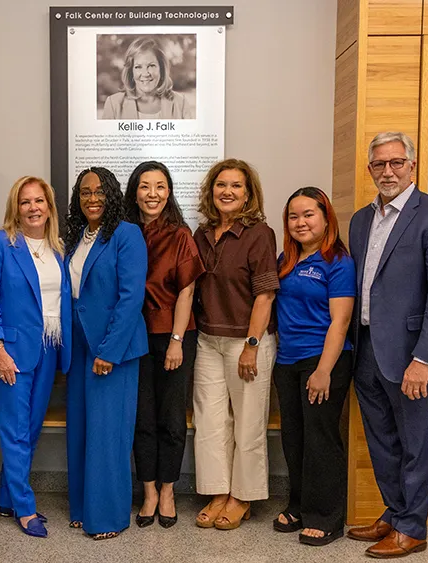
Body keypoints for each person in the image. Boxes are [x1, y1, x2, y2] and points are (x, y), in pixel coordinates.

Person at [345, 132, 428, 558]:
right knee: (382, 442)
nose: (388, 171)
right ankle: (395, 514)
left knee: (416, 445)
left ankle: (413, 528)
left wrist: (424, 360)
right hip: (367, 352)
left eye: (397, 162)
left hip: (412, 358)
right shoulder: (361, 220)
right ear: (370, 169)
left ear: (412, 166)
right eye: (379, 164)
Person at [0, 176, 72, 538]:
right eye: (25, 201)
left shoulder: (57, 247)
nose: (33, 208)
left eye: (39, 201)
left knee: (29, 430)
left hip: (48, 347)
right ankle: (25, 508)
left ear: (49, 206)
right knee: (14, 431)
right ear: (16, 207)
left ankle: (6, 497)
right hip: (10, 350)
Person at [192, 159, 279, 531]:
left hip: (248, 341)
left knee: (248, 423)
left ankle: (242, 495)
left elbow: (265, 296)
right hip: (208, 340)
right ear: (211, 190)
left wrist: (252, 345)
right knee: (209, 422)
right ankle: (217, 491)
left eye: (236, 186)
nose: (227, 191)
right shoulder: (201, 234)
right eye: (221, 184)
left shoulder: (259, 233)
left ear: (248, 193)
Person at [64, 167, 148, 540]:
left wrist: (109, 351)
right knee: (81, 430)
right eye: (85, 193)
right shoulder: (76, 236)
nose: (92, 198)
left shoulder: (127, 234)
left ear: (112, 194)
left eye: (99, 192)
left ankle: (109, 516)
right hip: (80, 345)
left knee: (107, 433)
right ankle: (83, 508)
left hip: (112, 348)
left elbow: (131, 299)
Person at [272, 187, 355, 546]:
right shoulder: (285, 259)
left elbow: (340, 322)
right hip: (287, 360)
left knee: (320, 439)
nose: (300, 222)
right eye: (293, 216)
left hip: (324, 360)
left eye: (308, 214)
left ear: (325, 218)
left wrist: (323, 371)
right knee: (294, 438)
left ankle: (327, 516)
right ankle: (300, 504)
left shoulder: (337, 261)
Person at [122, 161, 204, 529]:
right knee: (142, 416)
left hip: (174, 333)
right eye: (144, 186)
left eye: (160, 186)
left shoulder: (180, 235)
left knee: (171, 418)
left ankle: (168, 490)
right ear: (134, 192)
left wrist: (175, 340)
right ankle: (149, 491)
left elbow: (187, 290)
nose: (152, 194)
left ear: (169, 192)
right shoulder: (122, 233)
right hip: (133, 336)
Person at [100, 36, 193, 120]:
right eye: (138, 67)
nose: (145, 73)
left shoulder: (181, 103)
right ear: (131, 71)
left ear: (161, 68)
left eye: (151, 65)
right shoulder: (113, 104)